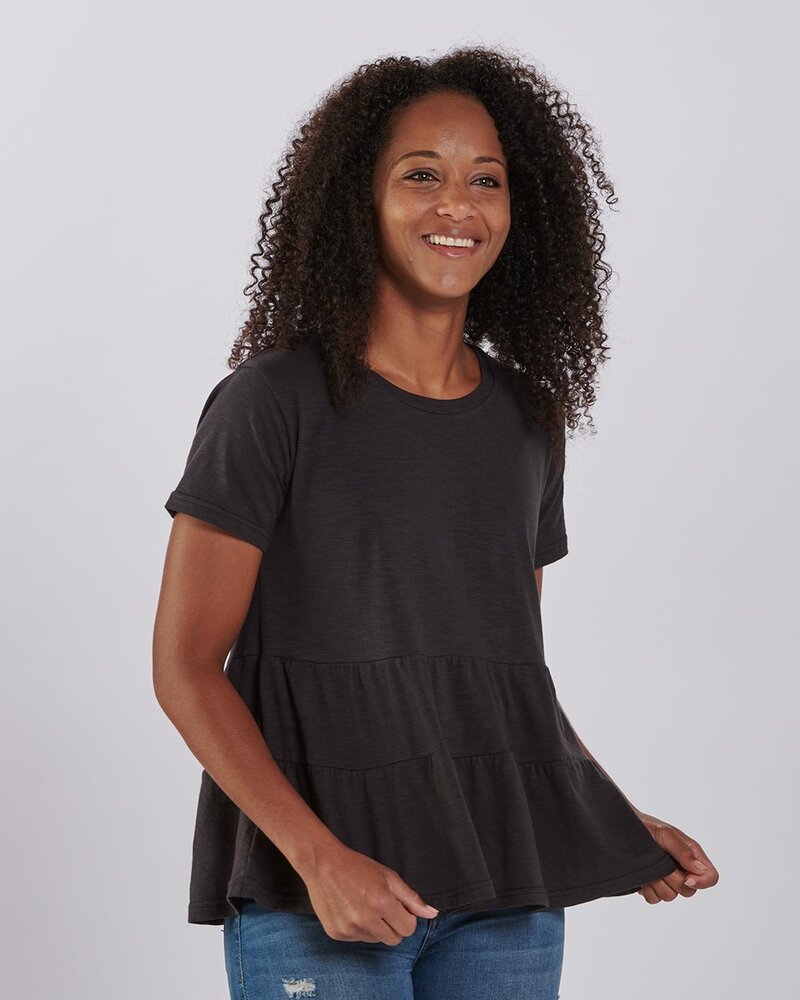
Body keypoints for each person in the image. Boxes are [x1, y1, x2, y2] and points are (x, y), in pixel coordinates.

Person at [153, 46, 718, 1000]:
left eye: (486, 180)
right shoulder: (272, 403)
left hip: (510, 891)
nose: (458, 205)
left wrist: (611, 814)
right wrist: (317, 858)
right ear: (357, 200)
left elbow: (506, 676)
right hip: (325, 899)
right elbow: (185, 667)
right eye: (422, 175)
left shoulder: (527, 420)